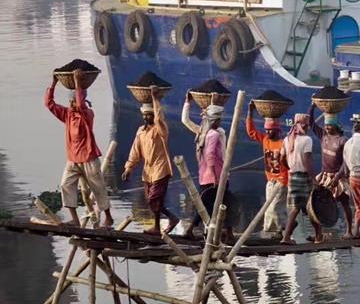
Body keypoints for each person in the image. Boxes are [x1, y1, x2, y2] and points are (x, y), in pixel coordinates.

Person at [45, 69, 113, 228]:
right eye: (70, 102)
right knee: (66, 185)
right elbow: (49, 104)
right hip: (73, 159)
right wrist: (53, 83)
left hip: (89, 158)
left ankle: (108, 218)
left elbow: (81, 105)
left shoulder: (88, 114)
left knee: (98, 188)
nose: (71, 104)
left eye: (73, 101)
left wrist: (77, 82)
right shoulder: (67, 114)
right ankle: (74, 219)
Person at [122, 86, 178, 235]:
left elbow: (159, 117)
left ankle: (165, 222)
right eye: (145, 115)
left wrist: (155, 98)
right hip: (148, 171)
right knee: (152, 201)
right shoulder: (141, 131)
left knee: (154, 199)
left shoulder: (161, 130)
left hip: (161, 169)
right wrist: (128, 168)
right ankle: (162, 224)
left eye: (149, 115)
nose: (147, 118)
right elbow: (135, 151)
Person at [180, 94, 226, 238]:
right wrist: (215, 176)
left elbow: (185, 121)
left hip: (205, 176)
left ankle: (211, 232)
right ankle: (204, 231)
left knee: (207, 204)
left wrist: (187, 103)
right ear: (214, 121)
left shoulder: (202, 132)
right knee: (216, 205)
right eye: (218, 119)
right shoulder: (216, 134)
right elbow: (211, 155)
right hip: (215, 176)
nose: (220, 122)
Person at [309, 106, 354, 239]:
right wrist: (312, 106)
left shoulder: (343, 140)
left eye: (330, 125)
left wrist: (337, 178)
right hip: (325, 176)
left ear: (336, 125)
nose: (327, 127)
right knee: (318, 204)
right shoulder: (323, 136)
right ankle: (318, 234)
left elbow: (346, 162)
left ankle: (349, 231)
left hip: (339, 177)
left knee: (345, 203)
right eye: (326, 125)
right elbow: (311, 123)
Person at [246, 103, 289, 238]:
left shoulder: (284, 143)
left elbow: (289, 163)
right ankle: (276, 231)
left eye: (270, 130)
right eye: (266, 130)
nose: (268, 132)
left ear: (277, 130)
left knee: (275, 206)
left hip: (282, 180)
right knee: (269, 208)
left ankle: (278, 232)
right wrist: (250, 112)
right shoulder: (265, 140)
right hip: (270, 180)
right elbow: (251, 132)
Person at [281, 113, 319, 245]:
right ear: (304, 126)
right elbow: (307, 161)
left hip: (292, 176)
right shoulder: (307, 140)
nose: (307, 128)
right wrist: (314, 179)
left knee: (296, 207)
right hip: (304, 177)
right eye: (306, 126)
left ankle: (317, 234)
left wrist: (290, 167)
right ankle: (287, 237)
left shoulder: (287, 139)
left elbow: (281, 159)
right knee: (311, 206)